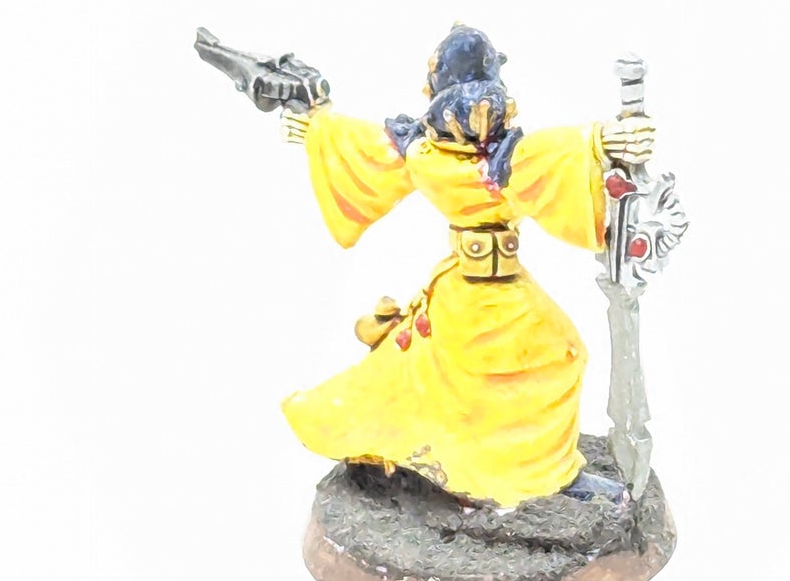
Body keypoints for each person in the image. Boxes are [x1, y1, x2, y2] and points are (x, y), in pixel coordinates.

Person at [278, 25, 654, 507]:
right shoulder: (479, 159)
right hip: (474, 290)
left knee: (555, 357)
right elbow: (551, 155)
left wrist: (318, 125)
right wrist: (605, 141)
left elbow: (365, 145)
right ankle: (526, 475)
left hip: (484, 284)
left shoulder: (429, 154)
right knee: (545, 362)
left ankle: (529, 467)